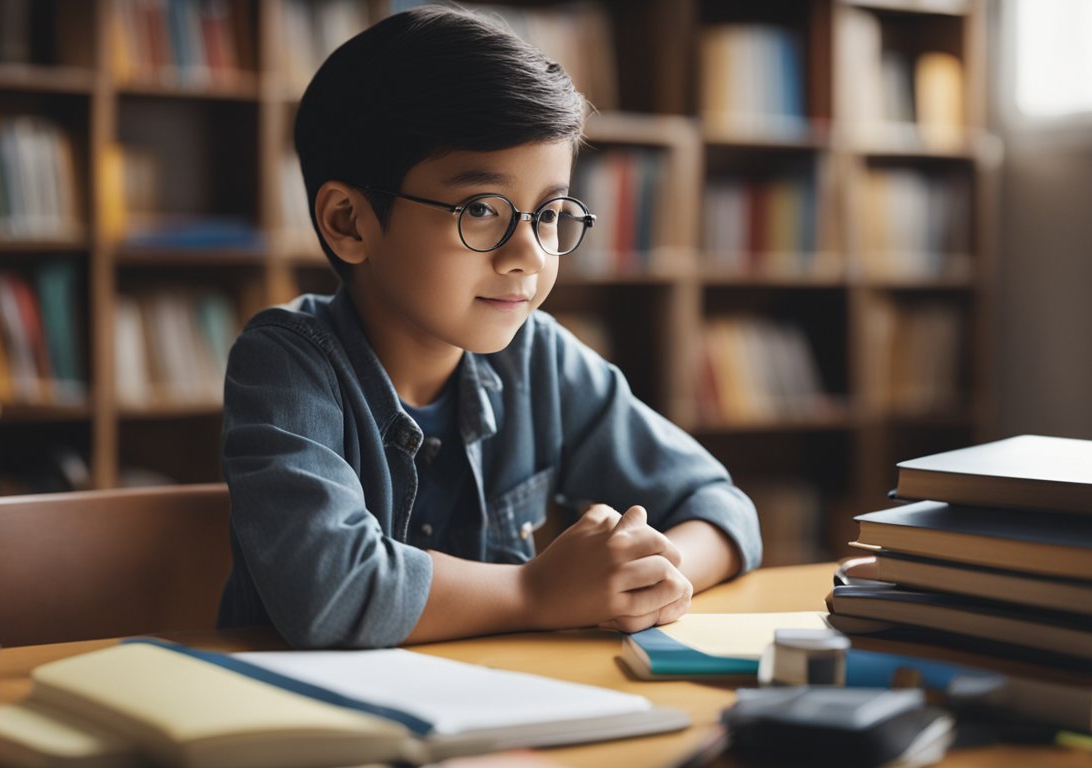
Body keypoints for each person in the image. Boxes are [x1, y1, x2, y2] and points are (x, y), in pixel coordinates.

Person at [219, 5, 761, 649]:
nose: (528, 254)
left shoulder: (541, 358)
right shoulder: (287, 362)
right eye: (480, 209)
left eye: (550, 211)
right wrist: (539, 592)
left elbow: (722, 510)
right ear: (349, 222)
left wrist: (639, 578)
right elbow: (330, 590)